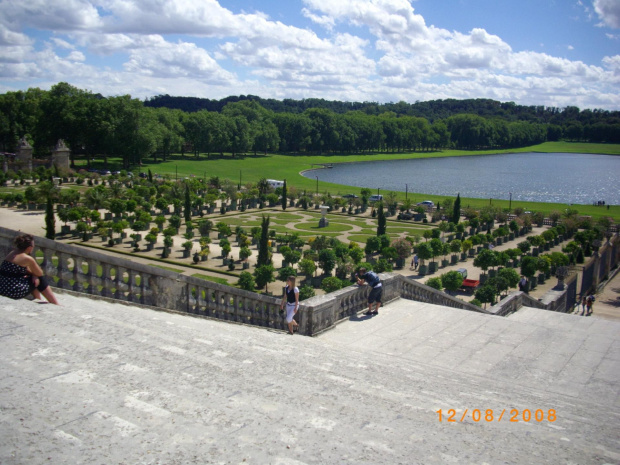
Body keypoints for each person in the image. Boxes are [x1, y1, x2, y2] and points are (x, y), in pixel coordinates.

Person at [0, 234, 59, 305]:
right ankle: (55, 303)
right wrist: (35, 276)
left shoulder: (12, 253)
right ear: (29, 248)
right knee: (40, 279)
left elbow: (27, 270)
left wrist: (34, 275)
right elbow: (40, 273)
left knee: (33, 278)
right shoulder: (27, 258)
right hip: (13, 291)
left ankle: (38, 299)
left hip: (2, 288)